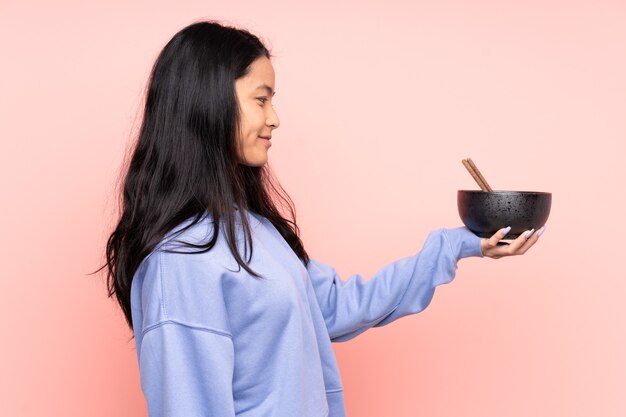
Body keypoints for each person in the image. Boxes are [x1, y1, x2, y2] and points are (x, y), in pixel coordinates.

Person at [101, 20, 544, 417]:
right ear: (208, 104)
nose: (274, 118)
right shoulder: (180, 262)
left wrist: (465, 242)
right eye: (261, 99)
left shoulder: (254, 230)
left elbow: (335, 308)